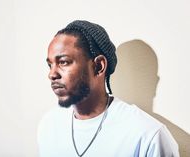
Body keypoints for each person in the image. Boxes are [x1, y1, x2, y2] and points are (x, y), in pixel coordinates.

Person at [37, 20, 179, 157]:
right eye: (50, 65)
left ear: (99, 66)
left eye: (63, 62)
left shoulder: (148, 136)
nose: (52, 74)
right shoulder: (49, 125)